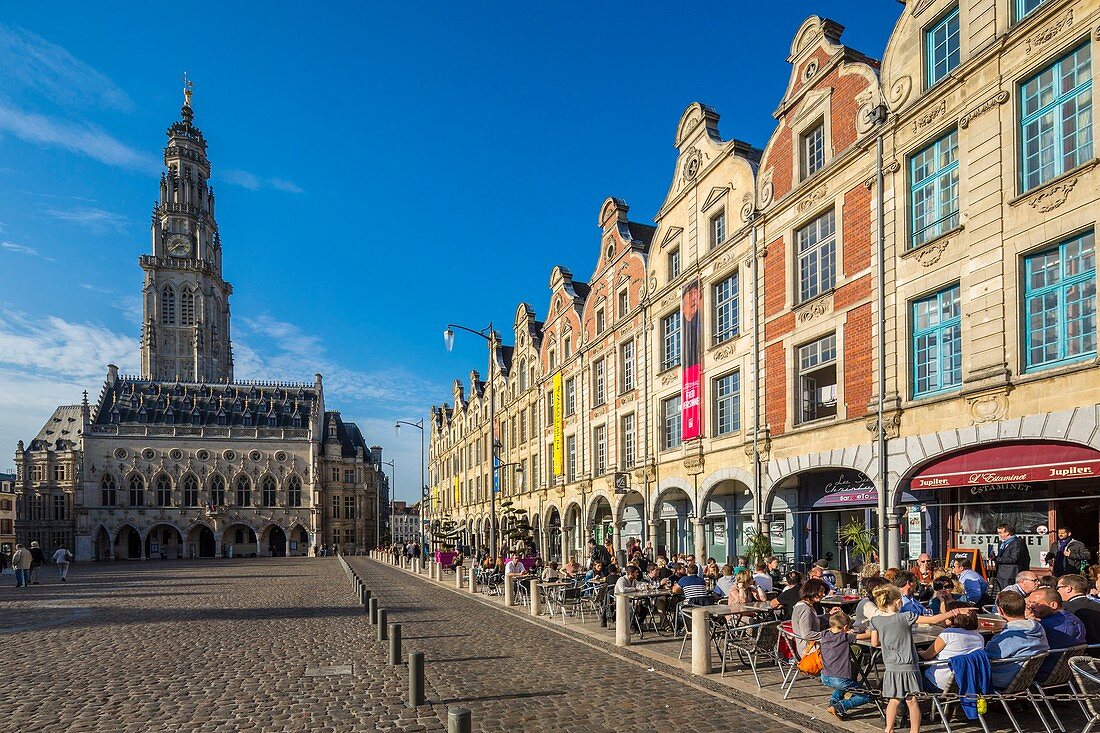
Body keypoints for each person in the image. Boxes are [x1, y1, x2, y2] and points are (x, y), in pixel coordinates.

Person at [869, 584, 975, 733]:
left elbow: (874, 643)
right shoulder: (905, 617)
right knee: (912, 701)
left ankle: (889, 729)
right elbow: (933, 620)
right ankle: (914, 731)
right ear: (897, 602)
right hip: (908, 665)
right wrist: (955, 611)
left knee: (893, 700)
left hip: (891, 666)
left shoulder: (875, 620)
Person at [986, 590, 1050, 689]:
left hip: (1001, 680)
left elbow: (986, 658)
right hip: (1026, 679)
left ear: (1001, 611)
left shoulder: (1007, 637)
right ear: (1024, 608)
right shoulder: (1038, 627)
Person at [919, 600, 985, 691]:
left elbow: (926, 656)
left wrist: (917, 651)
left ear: (951, 617)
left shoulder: (948, 634)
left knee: (913, 673)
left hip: (940, 684)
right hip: (966, 682)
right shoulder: (979, 637)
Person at [820, 611, 873, 721]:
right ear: (845, 627)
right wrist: (869, 630)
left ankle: (832, 705)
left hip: (825, 676)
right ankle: (839, 707)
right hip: (840, 678)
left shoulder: (824, 634)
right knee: (868, 696)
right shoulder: (845, 637)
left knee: (841, 687)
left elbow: (833, 630)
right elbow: (867, 635)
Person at [1027, 586, 1087, 678]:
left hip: (1041, 673)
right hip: (1067, 673)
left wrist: (1025, 623)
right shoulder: (1077, 620)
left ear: (1053, 605)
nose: (1031, 607)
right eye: (1029, 603)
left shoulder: (1044, 626)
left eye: (1036, 603)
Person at [790, 578, 832, 656]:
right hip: (810, 651)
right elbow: (807, 634)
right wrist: (830, 634)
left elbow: (812, 621)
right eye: (821, 592)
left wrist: (828, 615)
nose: (823, 594)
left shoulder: (804, 605)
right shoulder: (805, 609)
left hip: (810, 647)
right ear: (812, 591)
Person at [1057, 574, 1100, 644]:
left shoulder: (1064, 609)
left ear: (1068, 588)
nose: (1057, 591)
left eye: (1058, 588)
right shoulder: (1097, 605)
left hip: (1079, 650)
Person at [992, 524, 1030, 589]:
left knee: (1009, 593)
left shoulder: (1017, 542)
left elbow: (1014, 559)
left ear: (1007, 533)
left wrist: (997, 559)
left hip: (1010, 573)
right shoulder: (1002, 543)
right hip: (1001, 572)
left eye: (1001, 532)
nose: (999, 535)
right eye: (998, 533)